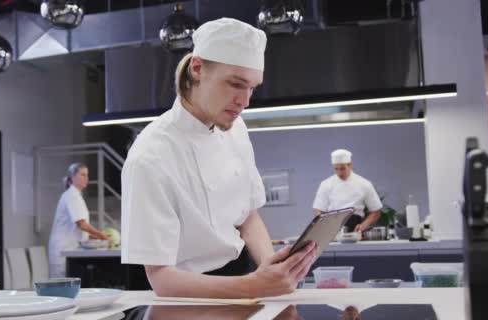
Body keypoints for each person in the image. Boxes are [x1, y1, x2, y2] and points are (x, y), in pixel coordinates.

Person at [121, 18, 318, 299]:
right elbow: (161, 279)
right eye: (235, 84)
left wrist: (273, 270)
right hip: (188, 298)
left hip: (245, 280)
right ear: (198, 68)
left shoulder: (235, 129)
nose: (245, 101)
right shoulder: (150, 156)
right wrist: (255, 285)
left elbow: (248, 216)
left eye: (252, 88)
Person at [48, 163, 108, 278]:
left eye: (87, 175)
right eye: (83, 175)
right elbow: (81, 224)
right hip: (63, 249)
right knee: (61, 288)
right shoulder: (71, 196)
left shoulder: (76, 195)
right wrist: (101, 235)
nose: (87, 178)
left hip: (69, 249)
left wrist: (93, 237)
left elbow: (78, 228)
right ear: (72, 177)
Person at [312, 149, 383, 232]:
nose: (339, 173)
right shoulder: (325, 184)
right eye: (336, 169)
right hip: (332, 228)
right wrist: (326, 227)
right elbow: (318, 210)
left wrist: (363, 225)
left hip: (355, 227)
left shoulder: (364, 184)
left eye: (342, 169)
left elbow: (376, 211)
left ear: (350, 165)